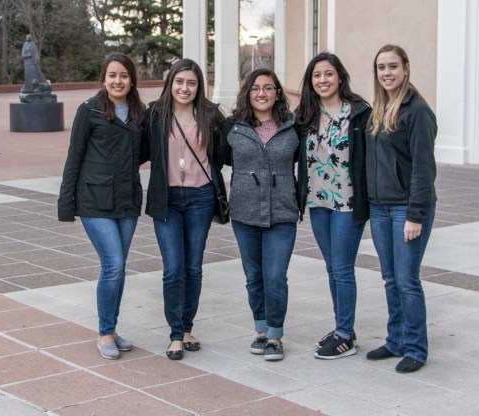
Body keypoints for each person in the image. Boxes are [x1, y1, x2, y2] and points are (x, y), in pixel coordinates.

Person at [57, 53, 146, 360]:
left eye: (123, 75)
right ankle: (105, 333)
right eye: (112, 75)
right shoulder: (89, 110)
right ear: (104, 79)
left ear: (131, 80)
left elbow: (143, 152)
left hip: (127, 200)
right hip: (94, 200)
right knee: (114, 265)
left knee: (119, 270)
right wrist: (65, 204)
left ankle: (113, 328)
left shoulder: (139, 113)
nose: (117, 81)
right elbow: (74, 157)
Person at [143, 58, 226, 361]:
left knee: (193, 267)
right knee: (173, 268)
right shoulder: (155, 114)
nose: (185, 88)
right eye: (179, 82)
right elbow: (138, 151)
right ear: (170, 83)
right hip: (167, 200)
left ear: (198, 86)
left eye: (191, 83)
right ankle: (175, 334)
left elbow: (221, 154)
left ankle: (187, 327)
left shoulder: (211, 115)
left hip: (201, 198)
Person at [216, 68, 300, 362]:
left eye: (268, 87)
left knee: (275, 276)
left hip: (282, 213)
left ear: (278, 92)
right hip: (245, 213)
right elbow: (220, 158)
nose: (262, 93)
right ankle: (260, 330)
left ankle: (275, 335)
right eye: (255, 88)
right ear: (247, 93)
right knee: (254, 277)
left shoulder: (292, 126)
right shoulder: (233, 126)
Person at [364, 44, 437, 373]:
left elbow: (424, 168)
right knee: (390, 278)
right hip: (380, 209)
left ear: (406, 68)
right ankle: (395, 341)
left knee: (408, 280)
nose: (387, 73)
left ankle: (416, 348)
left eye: (393, 66)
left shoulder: (417, 110)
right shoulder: (379, 109)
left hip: (406, 209)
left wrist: (415, 215)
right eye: (381, 67)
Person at [295, 52, 371, 360]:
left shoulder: (359, 112)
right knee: (331, 267)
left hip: (348, 202)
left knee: (342, 268)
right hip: (318, 201)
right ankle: (343, 328)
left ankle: (345, 336)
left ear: (340, 77)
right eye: (316, 75)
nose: (323, 80)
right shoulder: (305, 117)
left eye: (328, 74)